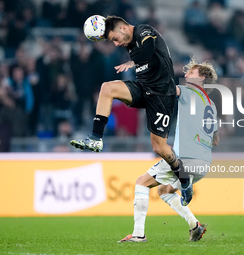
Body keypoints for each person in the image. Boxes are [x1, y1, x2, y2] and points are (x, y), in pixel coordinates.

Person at [70, 15, 189, 188]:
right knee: (106, 88)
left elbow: (148, 49)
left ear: (123, 29)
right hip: (143, 88)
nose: (116, 44)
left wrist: (132, 61)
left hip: (162, 94)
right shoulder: (127, 41)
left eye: (115, 39)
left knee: (159, 148)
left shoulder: (144, 31)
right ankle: (96, 137)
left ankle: (183, 176)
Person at [118, 58, 219, 243]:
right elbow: (216, 139)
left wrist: (146, 67)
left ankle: (138, 234)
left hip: (184, 159)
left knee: (141, 183)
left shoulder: (189, 91)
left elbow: (168, 88)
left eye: (191, 72)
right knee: (164, 190)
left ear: (202, 78)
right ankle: (194, 225)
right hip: (204, 164)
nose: (186, 74)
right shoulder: (211, 104)